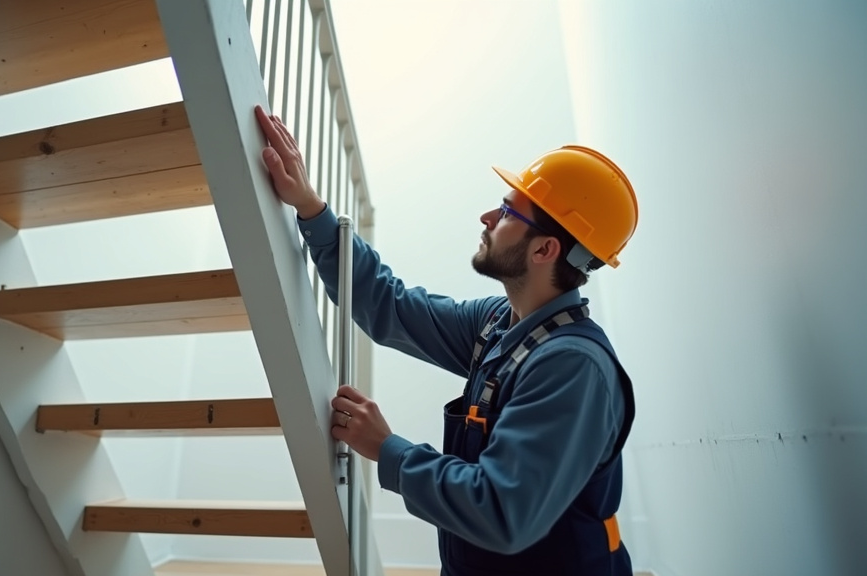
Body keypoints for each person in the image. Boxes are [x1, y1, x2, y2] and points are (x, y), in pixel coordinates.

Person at [255, 105, 638, 576]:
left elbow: (501, 512)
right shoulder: (499, 324)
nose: (487, 217)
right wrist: (311, 208)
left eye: (507, 211)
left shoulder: (572, 367)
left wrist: (387, 447)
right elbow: (388, 305)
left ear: (544, 249)